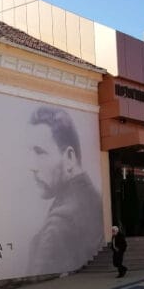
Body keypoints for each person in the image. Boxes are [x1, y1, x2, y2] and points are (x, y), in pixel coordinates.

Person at [26, 106, 103, 276]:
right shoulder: (94, 198)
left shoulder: (59, 224)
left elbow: (39, 283)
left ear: (69, 157)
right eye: (30, 152)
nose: (31, 166)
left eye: (40, 152)